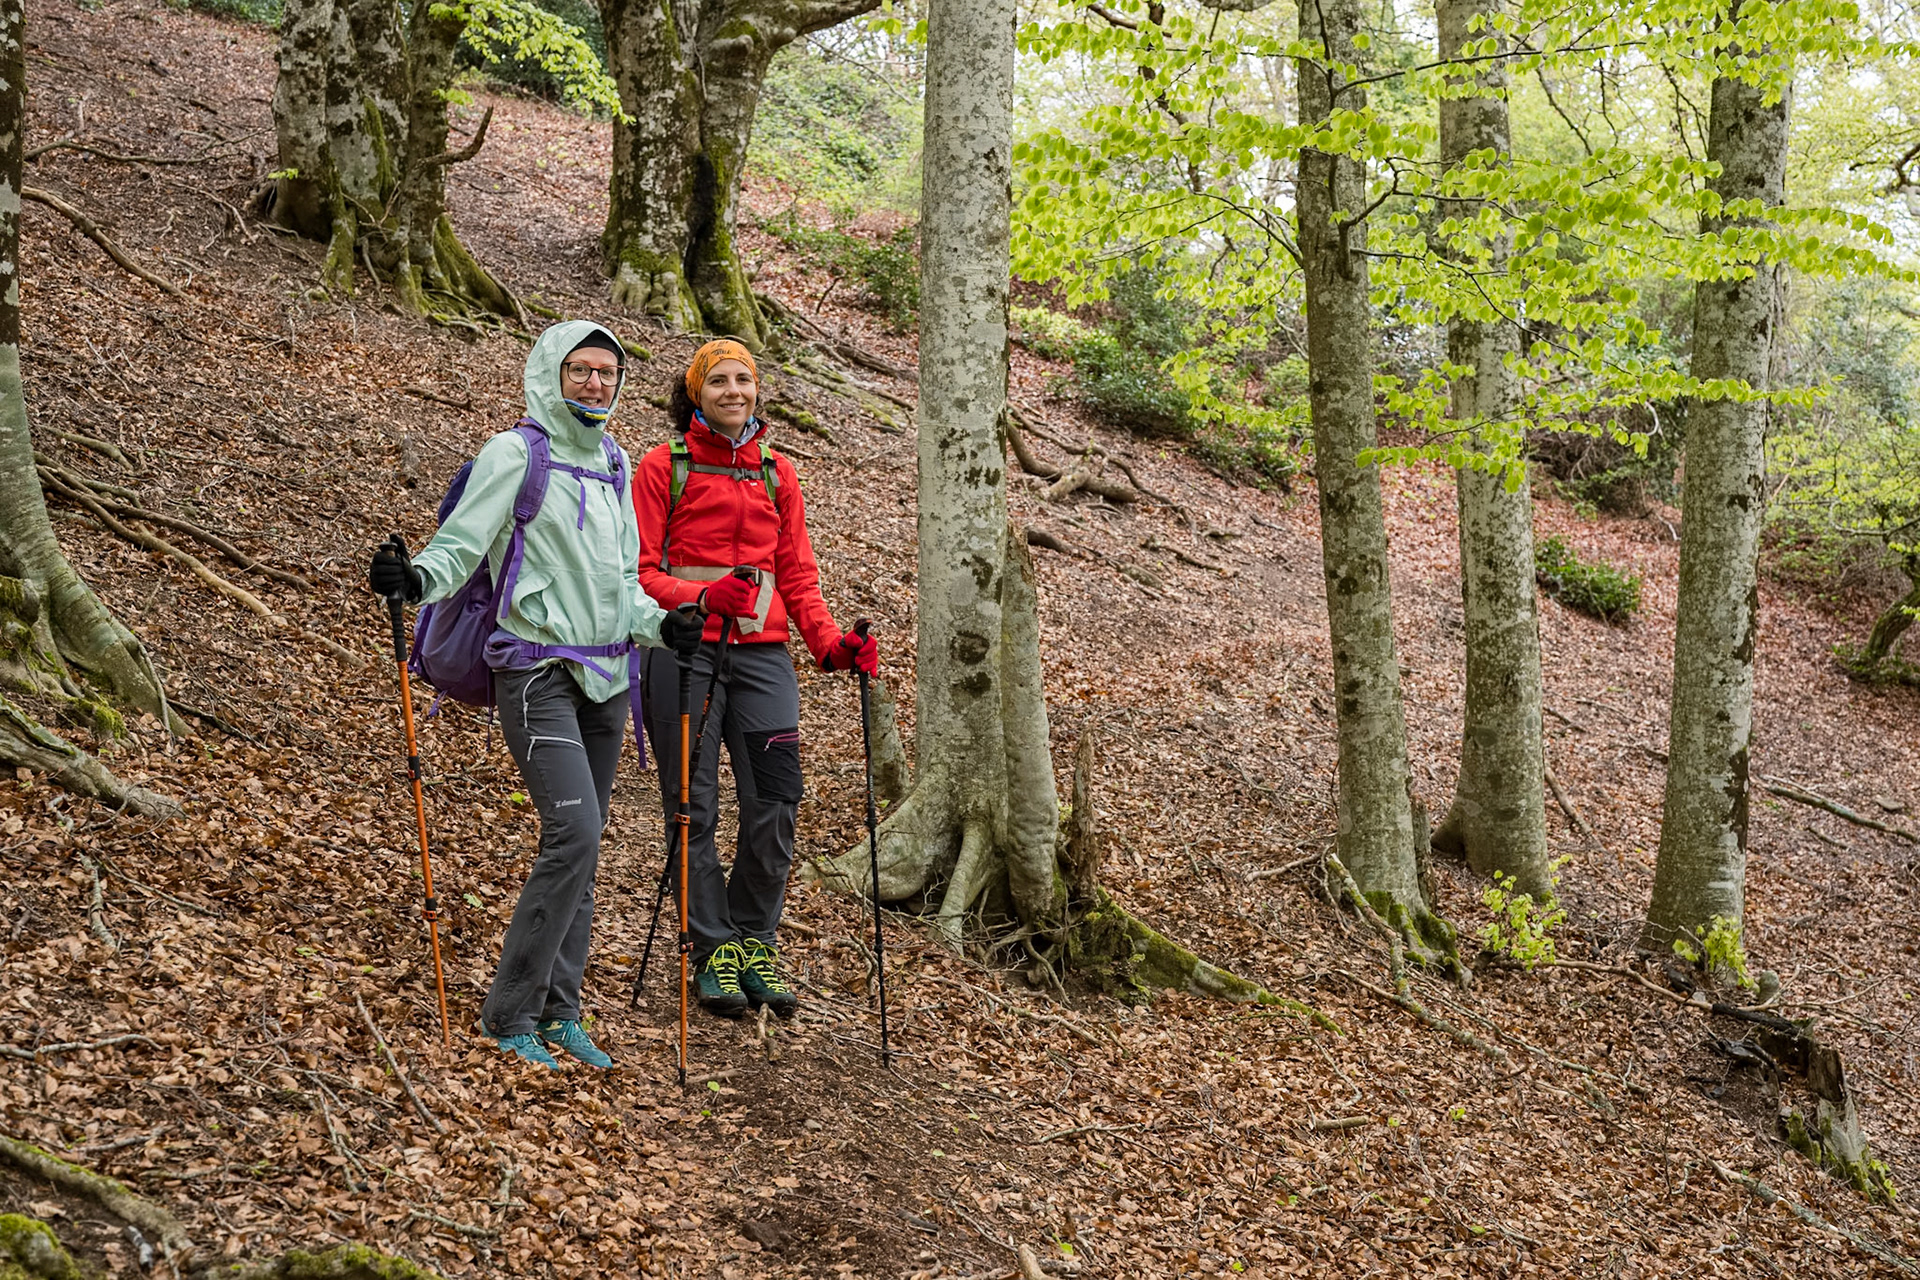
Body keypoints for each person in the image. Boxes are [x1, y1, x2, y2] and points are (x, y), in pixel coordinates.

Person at [368, 320, 705, 1070]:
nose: (595, 383)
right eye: (580, 369)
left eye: (607, 372)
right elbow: (460, 547)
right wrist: (414, 579)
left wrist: (662, 625)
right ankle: (510, 1014)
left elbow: (623, 584)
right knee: (574, 834)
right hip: (535, 672)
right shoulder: (514, 453)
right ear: (551, 372)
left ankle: (561, 1010)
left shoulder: (614, 462)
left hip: (609, 679)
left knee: (585, 845)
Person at [634, 339, 877, 1020]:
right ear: (696, 392)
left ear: (757, 389)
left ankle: (753, 944)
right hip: (683, 655)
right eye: (718, 380)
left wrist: (831, 646)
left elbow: (797, 576)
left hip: (764, 659)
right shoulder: (664, 467)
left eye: (743, 379)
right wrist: (700, 598)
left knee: (776, 803)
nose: (733, 391)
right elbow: (638, 572)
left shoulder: (776, 472)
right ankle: (711, 951)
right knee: (694, 807)